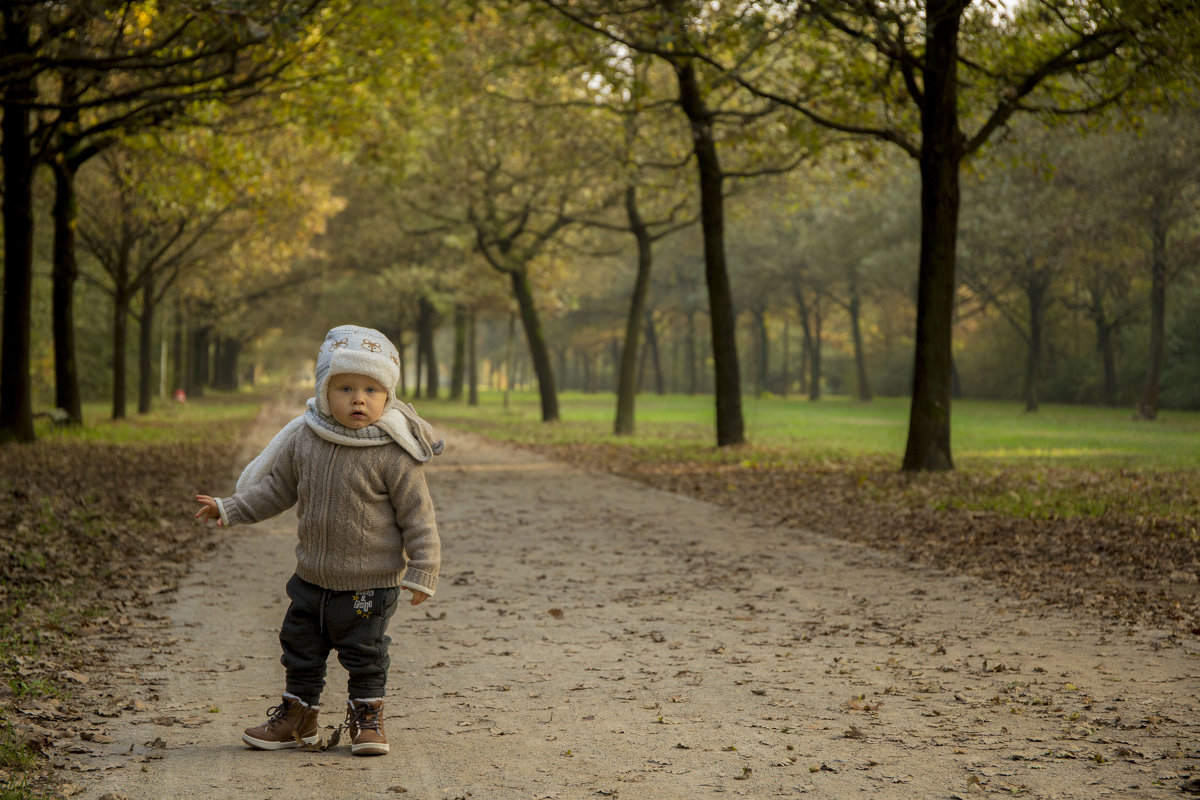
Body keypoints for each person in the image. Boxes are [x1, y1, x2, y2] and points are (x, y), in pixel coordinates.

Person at [194, 324, 443, 756]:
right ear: (324, 389)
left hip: (369, 585)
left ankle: (367, 718)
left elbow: (418, 518)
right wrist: (231, 507)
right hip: (311, 578)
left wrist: (422, 569)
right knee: (300, 649)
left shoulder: (393, 452)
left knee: (365, 654)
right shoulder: (306, 439)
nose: (358, 399)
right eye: (345, 387)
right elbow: (276, 490)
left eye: (371, 389)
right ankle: (299, 717)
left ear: (389, 396)